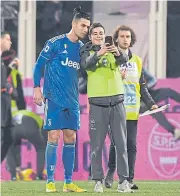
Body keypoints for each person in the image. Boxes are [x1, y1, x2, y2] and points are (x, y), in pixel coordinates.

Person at [33, 7, 90, 193]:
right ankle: (50, 181)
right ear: (73, 24)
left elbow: (89, 72)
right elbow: (38, 65)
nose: (85, 29)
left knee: (70, 137)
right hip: (54, 98)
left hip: (72, 101)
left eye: (88, 27)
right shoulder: (55, 43)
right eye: (83, 25)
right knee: (53, 136)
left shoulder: (82, 50)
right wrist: (36, 88)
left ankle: (68, 182)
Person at [80, 23, 133, 193]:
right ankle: (97, 181)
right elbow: (86, 65)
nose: (98, 36)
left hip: (117, 102)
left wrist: (117, 52)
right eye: (95, 33)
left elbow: (125, 59)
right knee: (97, 146)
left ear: (105, 35)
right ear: (90, 37)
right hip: (97, 104)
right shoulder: (86, 51)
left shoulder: (113, 50)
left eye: (101, 33)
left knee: (121, 145)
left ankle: (124, 181)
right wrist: (99, 53)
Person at [104, 25, 159, 190]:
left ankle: (129, 179)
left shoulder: (137, 61)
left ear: (131, 39)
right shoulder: (110, 58)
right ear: (117, 39)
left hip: (133, 111)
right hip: (115, 108)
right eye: (122, 36)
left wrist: (151, 104)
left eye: (128, 36)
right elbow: (105, 83)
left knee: (132, 146)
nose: (125, 39)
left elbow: (142, 87)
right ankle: (111, 172)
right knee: (116, 144)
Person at [5, 110, 47, 181]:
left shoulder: (14, 113)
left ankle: (13, 176)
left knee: (9, 148)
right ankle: (39, 176)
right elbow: (44, 133)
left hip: (13, 128)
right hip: (29, 126)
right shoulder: (36, 116)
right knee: (41, 148)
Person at [141, 67, 180, 140]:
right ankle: (174, 131)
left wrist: (144, 88)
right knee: (155, 110)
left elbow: (153, 80)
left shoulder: (137, 65)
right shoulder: (117, 68)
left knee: (167, 91)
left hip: (146, 93)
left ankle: (175, 132)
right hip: (134, 101)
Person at [1, 31, 14, 163]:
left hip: (5, 101)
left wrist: (10, 68)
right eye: (7, 39)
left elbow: (2, 80)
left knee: (9, 137)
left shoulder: (2, 60)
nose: (10, 42)